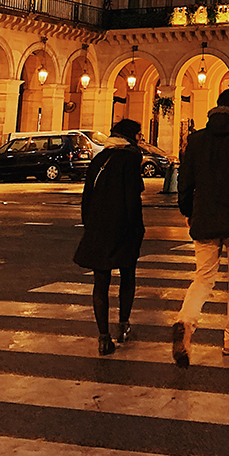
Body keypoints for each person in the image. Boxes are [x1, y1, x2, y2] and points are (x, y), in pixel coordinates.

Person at [172, 88, 229, 366]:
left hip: (205, 217)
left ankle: (186, 323)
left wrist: (188, 211)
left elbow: (185, 182)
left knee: (203, 276)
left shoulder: (196, 140)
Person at [74, 118, 146, 355]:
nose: (140, 139)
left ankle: (103, 337)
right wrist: (137, 228)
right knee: (127, 276)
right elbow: (132, 198)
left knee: (101, 283)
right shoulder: (130, 159)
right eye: (138, 135)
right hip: (123, 227)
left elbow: (87, 196)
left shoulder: (99, 158)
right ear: (129, 136)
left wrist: (90, 225)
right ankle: (123, 325)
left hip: (98, 228)